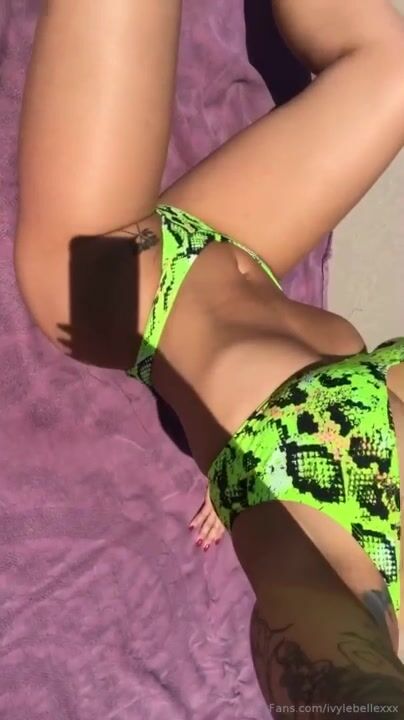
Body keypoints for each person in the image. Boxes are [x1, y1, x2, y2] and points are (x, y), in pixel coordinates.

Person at [14, 0, 404, 713]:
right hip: (237, 238)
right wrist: (248, 480)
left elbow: (339, 681)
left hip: (112, 275)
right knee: (393, 71)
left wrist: (262, 500)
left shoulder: (356, 605)